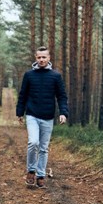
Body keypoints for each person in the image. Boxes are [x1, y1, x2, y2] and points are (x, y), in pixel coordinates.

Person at [16, 46, 69, 189]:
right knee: (33, 142)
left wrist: (63, 113)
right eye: (39, 57)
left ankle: (40, 175)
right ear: (36, 58)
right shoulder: (29, 75)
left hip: (48, 116)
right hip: (32, 114)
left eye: (44, 57)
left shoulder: (55, 76)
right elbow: (23, 95)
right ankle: (31, 171)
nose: (41, 60)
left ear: (49, 58)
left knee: (44, 148)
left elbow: (62, 96)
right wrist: (19, 112)